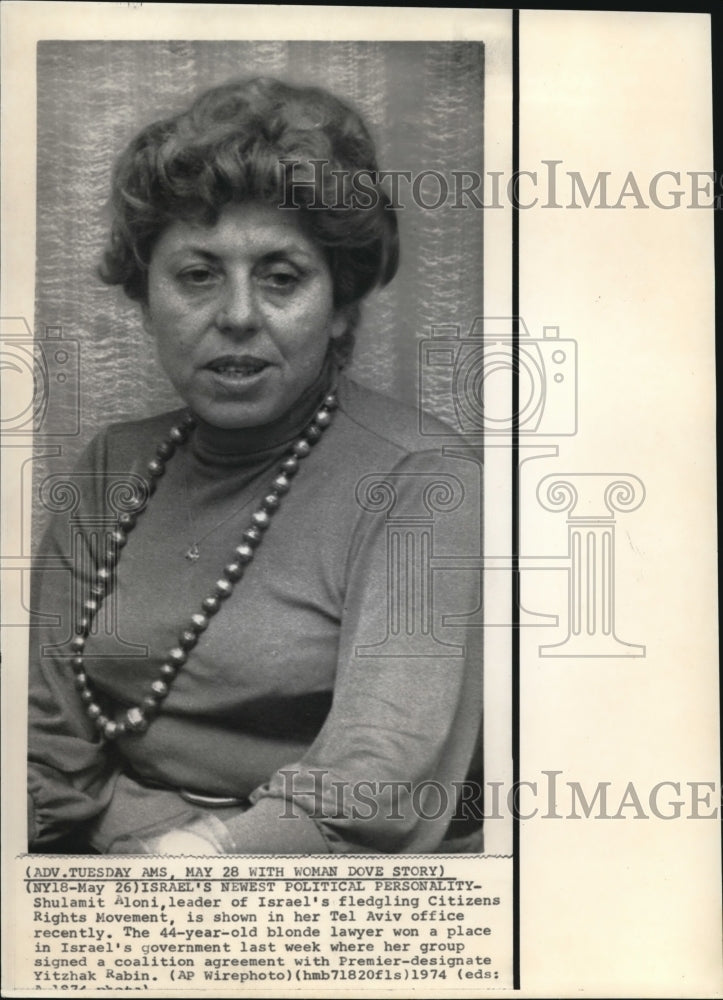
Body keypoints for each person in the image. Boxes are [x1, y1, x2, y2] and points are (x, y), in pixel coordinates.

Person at [27, 76, 483, 855]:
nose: (237, 316)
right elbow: (39, 736)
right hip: (113, 856)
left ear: (339, 304)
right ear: (147, 298)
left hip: (307, 884)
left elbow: (380, 777)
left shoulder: (423, 478)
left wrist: (202, 856)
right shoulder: (113, 464)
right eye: (198, 275)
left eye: (281, 277)